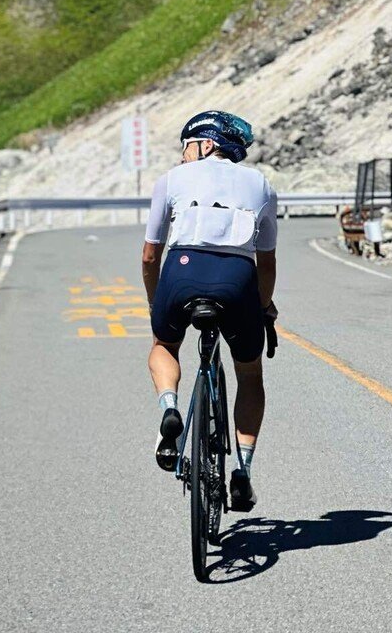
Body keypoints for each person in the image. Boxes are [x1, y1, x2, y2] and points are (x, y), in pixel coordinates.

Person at [141, 111, 279, 512]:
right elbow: (266, 262)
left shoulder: (171, 179)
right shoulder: (262, 185)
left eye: (187, 145)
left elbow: (151, 255)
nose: (184, 154)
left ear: (206, 144)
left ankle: (170, 409)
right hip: (238, 278)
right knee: (249, 373)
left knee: (164, 344)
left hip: (181, 271)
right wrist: (263, 306)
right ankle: (243, 471)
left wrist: (156, 304)